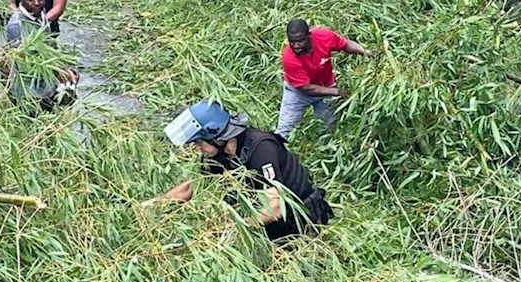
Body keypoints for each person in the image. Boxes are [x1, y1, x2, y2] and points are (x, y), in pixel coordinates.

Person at [154, 100, 333, 241]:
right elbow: (194, 187)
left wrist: (238, 227)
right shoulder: (218, 155)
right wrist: (156, 204)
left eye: (199, 142)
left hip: (299, 222)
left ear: (217, 137)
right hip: (263, 224)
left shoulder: (261, 149)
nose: (196, 148)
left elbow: (276, 206)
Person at [276, 18, 369, 140]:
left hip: (326, 86)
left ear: (309, 35)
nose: (296, 45)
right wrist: (337, 92)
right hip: (297, 92)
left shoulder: (324, 36)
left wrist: (365, 52)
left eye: (300, 41)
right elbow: (306, 88)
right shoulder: (289, 58)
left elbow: (345, 45)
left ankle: (324, 151)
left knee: (329, 129)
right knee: (285, 131)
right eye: (292, 42)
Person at [5, 0, 77, 111]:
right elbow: (26, 63)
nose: (36, 3)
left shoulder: (41, 15)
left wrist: (63, 67)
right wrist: (57, 71)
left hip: (45, 87)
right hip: (28, 93)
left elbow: (49, 46)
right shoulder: (17, 25)